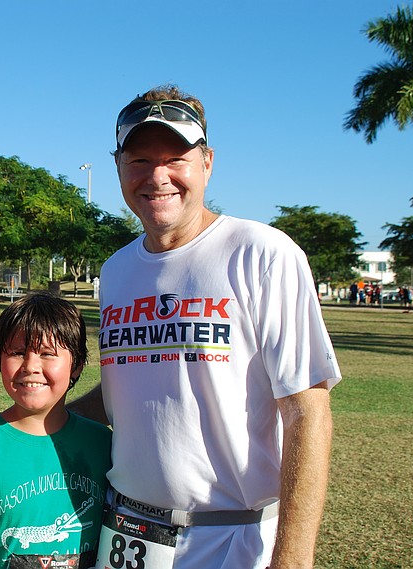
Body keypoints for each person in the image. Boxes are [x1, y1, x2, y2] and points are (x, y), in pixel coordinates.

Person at [68, 85, 341, 569]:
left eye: (176, 158)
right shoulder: (116, 270)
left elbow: (307, 412)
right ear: (118, 167)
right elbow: (127, 389)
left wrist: (293, 560)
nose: (158, 176)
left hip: (231, 538)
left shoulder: (262, 254)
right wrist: (27, 426)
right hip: (125, 533)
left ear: (207, 162)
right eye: (139, 160)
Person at [0, 293, 111, 569]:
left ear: (76, 365)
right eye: (17, 352)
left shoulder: (103, 444)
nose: (30, 367)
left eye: (47, 354)